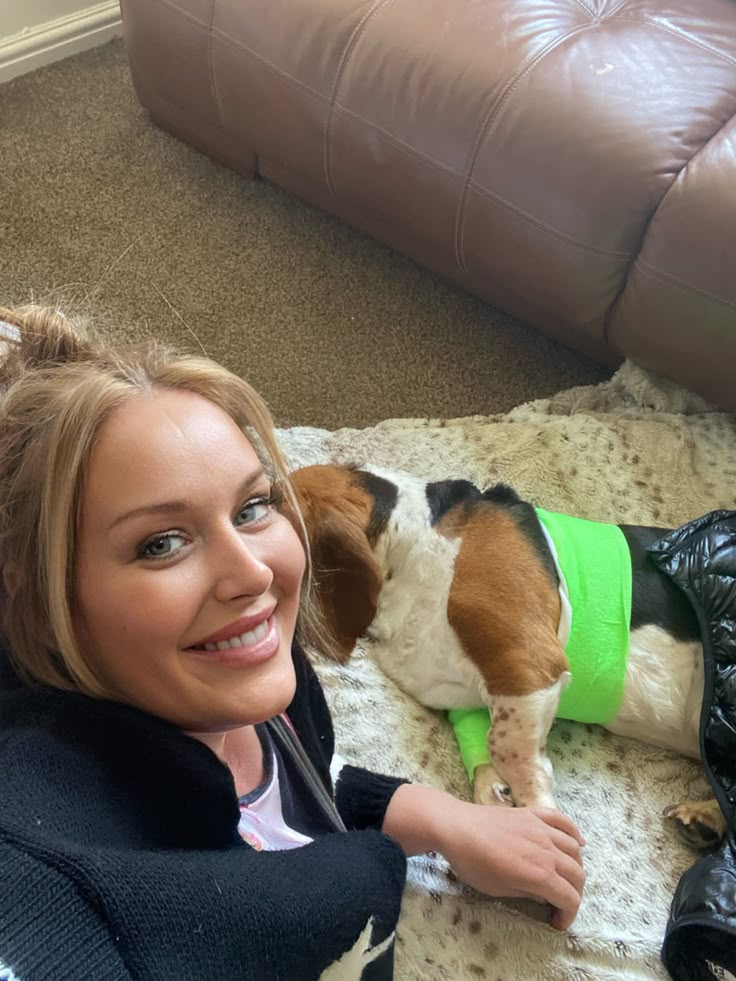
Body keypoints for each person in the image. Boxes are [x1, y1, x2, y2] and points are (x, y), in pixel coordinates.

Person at [0, 304, 585, 981]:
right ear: (42, 606)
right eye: (161, 543)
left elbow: (300, 783)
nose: (253, 573)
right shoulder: (42, 850)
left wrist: (442, 818)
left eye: (252, 507)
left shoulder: (255, 685)